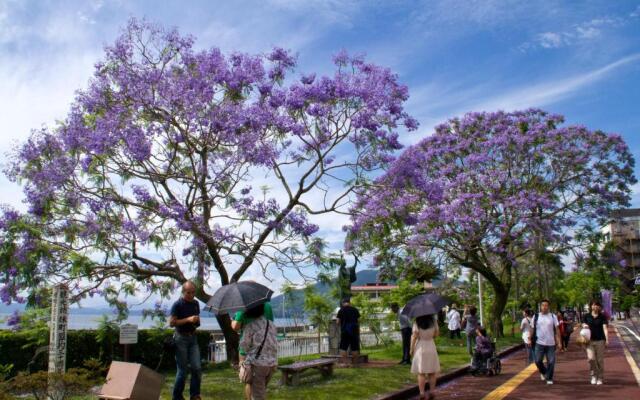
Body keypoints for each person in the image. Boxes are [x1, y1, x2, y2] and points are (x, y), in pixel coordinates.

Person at [169, 281, 202, 400]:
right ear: (183, 292)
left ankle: (195, 395)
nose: (191, 295)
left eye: (193, 292)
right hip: (180, 338)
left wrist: (196, 321)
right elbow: (172, 323)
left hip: (193, 338)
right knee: (183, 371)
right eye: (188, 292)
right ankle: (177, 397)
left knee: (197, 367)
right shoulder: (177, 304)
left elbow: (196, 322)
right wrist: (188, 319)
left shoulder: (196, 303)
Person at [239, 303, 278, 400]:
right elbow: (274, 343)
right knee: (261, 390)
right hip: (272, 363)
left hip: (258, 365)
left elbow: (244, 347)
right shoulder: (271, 324)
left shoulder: (250, 326)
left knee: (257, 396)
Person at [530, 299, 562, 385]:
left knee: (551, 362)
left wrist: (559, 342)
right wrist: (529, 338)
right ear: (540, 307)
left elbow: (557, 329)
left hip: (551, 343)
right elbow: (532, 328)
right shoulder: (536, 316)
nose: (544, 307)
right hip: (539, 343)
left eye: (546, 305)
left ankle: (549, 378)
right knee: (537, 361)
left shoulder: (553, 316)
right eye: (543, 305)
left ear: (548, 307)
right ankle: (545, 372)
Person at [410, 314, 440, 400]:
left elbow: (414, 336)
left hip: (420, 347)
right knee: (432, 372)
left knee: (421, 372)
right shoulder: (433, 321)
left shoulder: (417, 321)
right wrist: (430, 335)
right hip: (431, 345)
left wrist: (411, 349)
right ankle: (432, 391)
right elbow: (437, 334)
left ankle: (422, 393)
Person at [584, 300, 609, 385]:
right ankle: (594, 376)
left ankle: (600, 377)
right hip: (589, 341)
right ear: (591, 306)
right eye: (594, 305)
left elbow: (605, 328)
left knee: (599, 360)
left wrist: (607, 339)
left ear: (599, 307)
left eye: (597, 305)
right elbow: (583, 325)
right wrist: (584, 325)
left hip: (600, 340)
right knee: (591, 359)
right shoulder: (586, 316)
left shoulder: (602, 317)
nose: (595, 307)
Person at [337, 298, 360, 365]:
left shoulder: (341, 310)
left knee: (343, 348)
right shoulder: (355, 310)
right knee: (355, 348)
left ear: (343, 303)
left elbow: (338, 322)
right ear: (349, 303)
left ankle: (345, 363)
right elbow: (358, 320)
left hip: (345, 331)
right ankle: (355, 364)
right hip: (354, 332)